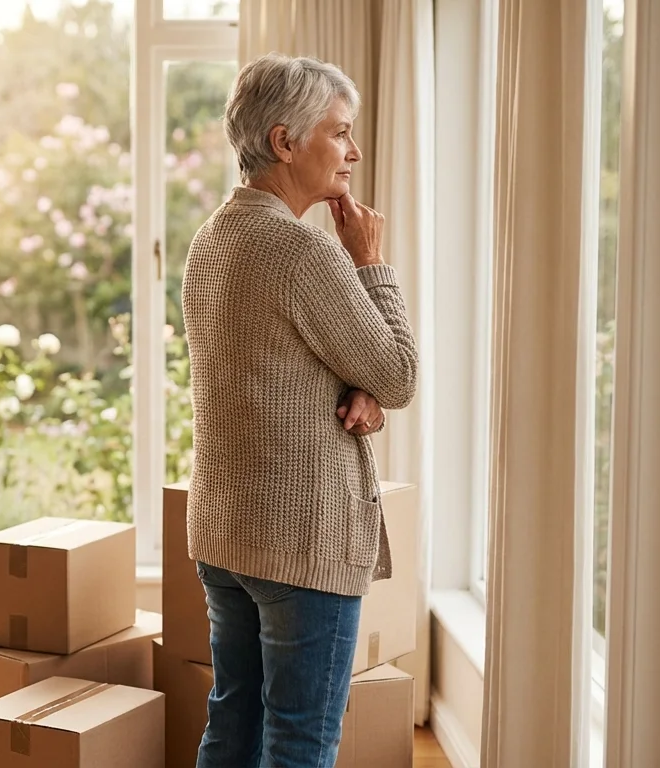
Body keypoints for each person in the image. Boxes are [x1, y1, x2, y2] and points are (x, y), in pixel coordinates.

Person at [181, 52, 419, 768]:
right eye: (339, 132)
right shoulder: (303, 253)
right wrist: (370, 259)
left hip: (227, 531)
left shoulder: (213, 239)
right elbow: (399, 372)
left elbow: (273, 369)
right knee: (301, 739)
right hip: (300, 541)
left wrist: (359, 397)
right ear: (285, 142)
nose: (352, 152)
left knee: (234, 724)